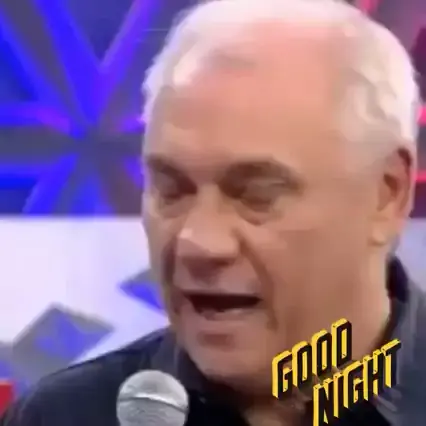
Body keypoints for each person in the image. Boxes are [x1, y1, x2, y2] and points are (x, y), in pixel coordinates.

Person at [2, 0, 426, 424]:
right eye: (172, 190)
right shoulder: (62, 416)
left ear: (386, 194)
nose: (197, 243)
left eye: (256, 195)